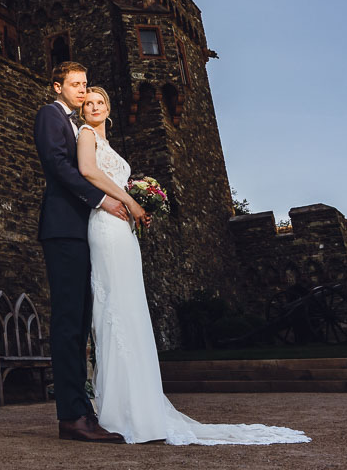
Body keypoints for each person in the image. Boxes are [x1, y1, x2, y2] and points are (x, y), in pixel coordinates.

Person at [77, 86, 311, 445]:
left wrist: (140, 203)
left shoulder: (108, 142)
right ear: (83, 111)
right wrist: (131, 201)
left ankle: (142, 406)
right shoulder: (86, 134)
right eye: (88, 103)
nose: (94, 107)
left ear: (108, 109)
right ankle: (119, 411)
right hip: (106, 225)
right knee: (115, 309)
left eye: (100, 103)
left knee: (131, 308)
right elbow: (87, 171)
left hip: (123, 229)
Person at [32, 62, 140, 443]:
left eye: (84, 84)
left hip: (81, 232)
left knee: (79, 324)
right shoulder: (50, 116)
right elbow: (58, 166)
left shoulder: (77, 126)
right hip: (62, 229)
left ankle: (83, 411)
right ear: (57, 87)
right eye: (75, 84)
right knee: (67, 323)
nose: (81, 90)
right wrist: (101, 199)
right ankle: (72, 416)